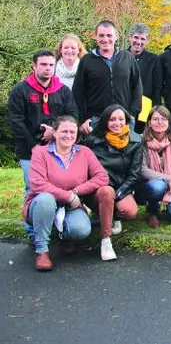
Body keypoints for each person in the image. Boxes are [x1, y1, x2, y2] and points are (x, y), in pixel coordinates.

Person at [23, 115, 117, 270]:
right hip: (42, 205)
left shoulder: (84, 152)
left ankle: (64, 236)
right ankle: (42, 251)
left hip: (72, 206)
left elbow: (102, 177)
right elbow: (37, 184)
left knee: (81, 230)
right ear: (54, 132)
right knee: (46, 199)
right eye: (64, 131)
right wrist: (67, 195)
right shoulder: (40, 152)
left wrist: (76, 192)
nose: (68, 135)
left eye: (72, 132)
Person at [9, 50, 78, 194]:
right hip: (29, 149)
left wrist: (54, 131)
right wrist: (33, 146)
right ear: (33, 66)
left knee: (60, 187)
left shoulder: (64, 91)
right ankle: (31, 216)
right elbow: (16, 122)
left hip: (58, 147)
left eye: (51, 65)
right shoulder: (19, 91)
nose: (48, 68)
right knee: (33, 188)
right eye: (44, 64)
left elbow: (72, 116)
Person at [73, 20, 142, 136]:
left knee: (126, 153)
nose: (105, 39)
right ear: (96, 37)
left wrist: (132, 113)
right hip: (96, 120)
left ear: (116, 36)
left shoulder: (127, 58)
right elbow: (78, 92)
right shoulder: (87, 60)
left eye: (109, 35)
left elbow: (137, 87)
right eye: (101, 35)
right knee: (97, 154)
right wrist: (81, 120)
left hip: (123, 119)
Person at [86, 104, 142, 235]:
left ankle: (115, 216)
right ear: (105, 121)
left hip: (122, 187)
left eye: (121, 119)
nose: (117, 123)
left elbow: (134, 174)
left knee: (129, 211)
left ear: (127, 120)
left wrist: (118, 195)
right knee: (106, 194)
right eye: (112, 119)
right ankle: (101, 215)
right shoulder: (93, 141)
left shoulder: (136, 141)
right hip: (100, 189)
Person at [139, 106, 171, 228]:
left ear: (169, 123)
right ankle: (152, 210)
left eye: (164, 119)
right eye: (155, 119)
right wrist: (168, 178)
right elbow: (143, 170)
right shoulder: (142, 142)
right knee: (158, 186)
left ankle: (167, 208)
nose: (160, 122)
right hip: (150, 184)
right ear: (149, 122)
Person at [128, 23, 162, 132]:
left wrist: (156, 112)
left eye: (143, 39)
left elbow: (157, 87)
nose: (138, 42)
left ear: (147, 41)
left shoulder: (154, 60)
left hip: (145, 108)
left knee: (142, 141)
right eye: (136, 37)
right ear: (130, 38)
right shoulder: (120, 56)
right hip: (124, 107)